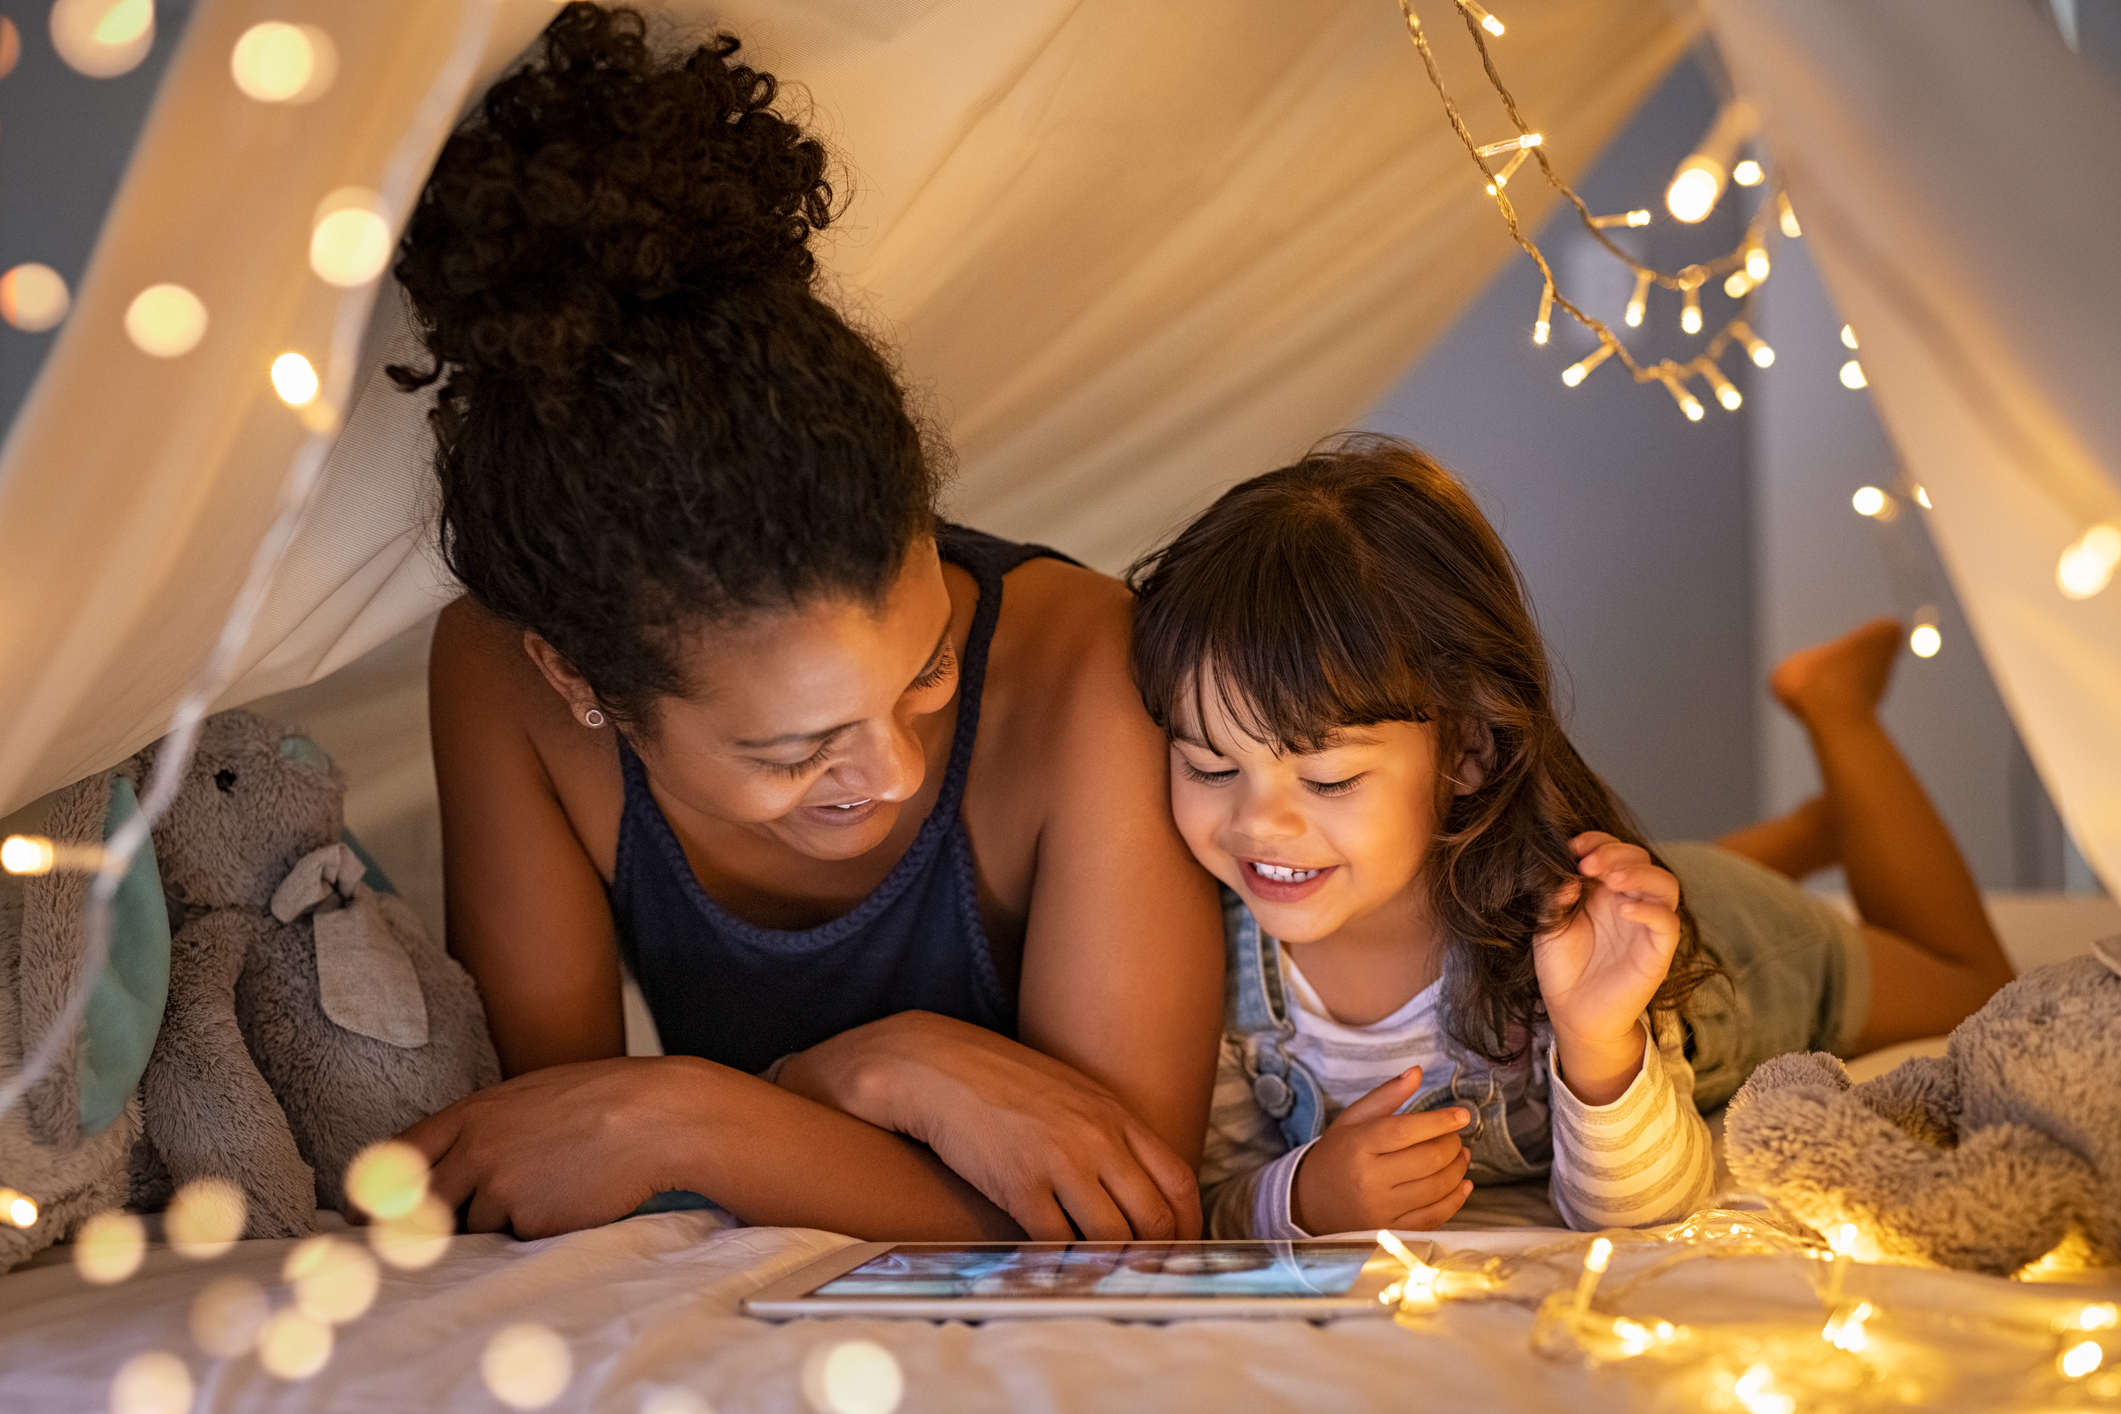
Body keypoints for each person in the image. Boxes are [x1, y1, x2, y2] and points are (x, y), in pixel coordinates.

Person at [390, 4, 1223, 1242]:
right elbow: (552, 1152)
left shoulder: (1090, 664)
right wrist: (741, 1106)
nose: (889, 767)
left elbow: (1130, 1224)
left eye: (930, 667)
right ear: (586, 685)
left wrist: (764, 1094)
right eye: (792, 751)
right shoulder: (498, 678)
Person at [1126, 434, 2015, 1238]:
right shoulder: (1207, 952)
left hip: (1726, 952)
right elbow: (1211, 1187)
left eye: (1327, 780)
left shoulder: (1562, 941)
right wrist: (1299, 1198)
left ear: (1468, 748)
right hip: (1595, 882)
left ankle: (1836, 708)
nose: (1256, 822)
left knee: (1973, 984)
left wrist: (1597, 1041)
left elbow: (1646, 1205)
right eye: (1208, 767)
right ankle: (1812, 832)